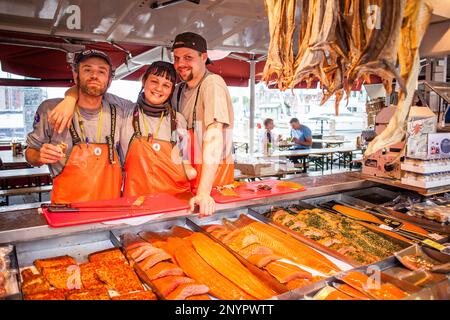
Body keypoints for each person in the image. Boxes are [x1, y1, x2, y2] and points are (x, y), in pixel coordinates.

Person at [47, 61, 197, 198]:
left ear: (171, 90)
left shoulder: (178, 120)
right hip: (135, 201)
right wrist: (70, 99)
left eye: (166, 85)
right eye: (154, 81)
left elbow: (185, 161)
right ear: (144, 81)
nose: (159, 88)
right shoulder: (125, 110)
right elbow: (91, 88)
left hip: (174, 198)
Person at [25, 50, 123, 204]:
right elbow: (30, 153)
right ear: (76, 75)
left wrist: (70, 97)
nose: (94, 76)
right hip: (66, 210)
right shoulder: (50, 109)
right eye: (87, 69)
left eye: (101, 71)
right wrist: (39, 156)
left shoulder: (120, 112)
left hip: (110, 211)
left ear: (109, 80)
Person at [171, 32, 234, 216]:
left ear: (203, 57)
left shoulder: (212, 84)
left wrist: (204, 193)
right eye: (176, 58)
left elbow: (214, 136)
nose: (180, 64)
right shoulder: (178, 90)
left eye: (188, 57)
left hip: (213, 182)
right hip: (188, 180)